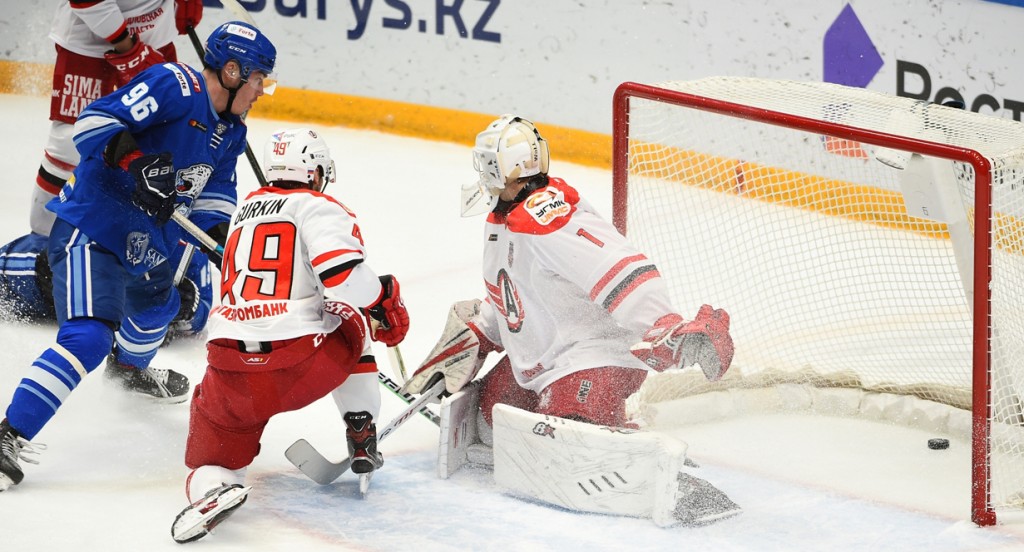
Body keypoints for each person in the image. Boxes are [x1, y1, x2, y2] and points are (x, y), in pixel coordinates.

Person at [0, 21, 277, 492]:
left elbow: (214, 198)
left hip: (148, 241)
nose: (261, 91)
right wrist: (136, 162)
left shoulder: (230, 131)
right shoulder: (174, 84)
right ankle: (9, 433)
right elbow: (91, 124)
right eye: (258, 80)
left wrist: (221, 244)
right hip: (95, 225)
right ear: (232, 71)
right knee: (88, 336)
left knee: (161, 308)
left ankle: (127, 371)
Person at [403, 114, 735, 430]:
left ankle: (619, 437)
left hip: (595, 356)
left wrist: (663, 324)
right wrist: (481, 333)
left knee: (568, 433)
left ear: (499, 168)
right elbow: (516, 293)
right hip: (543, 361)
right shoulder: (502, 219)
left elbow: (620, 267)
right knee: (491, 419)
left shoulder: (545, 217)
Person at [170, 128, 410, 543]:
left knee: (211, 462)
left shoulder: (244, 211)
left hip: (230, 370)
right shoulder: (317, 206)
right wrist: (383, 298)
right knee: (349, 314)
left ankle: (213, 491)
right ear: (316, 172)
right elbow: (342, 278)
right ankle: (361, 429)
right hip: (300, 362)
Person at [31, 0, 204, 238]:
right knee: (70, 144)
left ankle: (143, 244)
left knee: (161, 141)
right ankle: (42, 238)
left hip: (156, 37)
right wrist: (128, 47)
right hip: (88, 42)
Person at [0, 232, 213, 341]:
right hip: (46, 286)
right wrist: (43, 269)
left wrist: (188, 308)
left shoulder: (194, 245)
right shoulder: (115, 195)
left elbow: (202, 313)